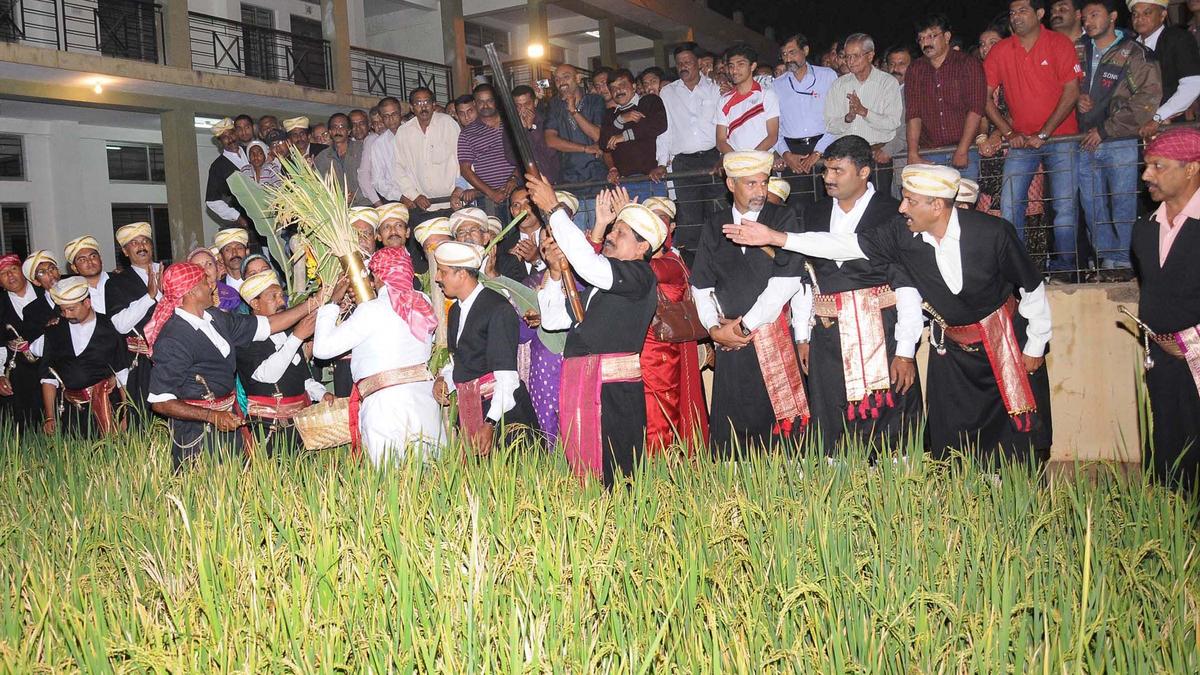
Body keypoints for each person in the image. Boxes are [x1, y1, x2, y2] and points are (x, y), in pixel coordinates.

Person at [726, 163, 1053, 464]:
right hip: (952, 350)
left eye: (910, 201)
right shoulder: (901, 234)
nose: (901, 207)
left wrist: (1035, 345)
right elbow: (843, 245)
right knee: (953, 439)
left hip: (1007, 343)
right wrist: (775, 237)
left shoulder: (993, 233)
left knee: (1016, 439)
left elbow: (1031, 286)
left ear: (936, 206)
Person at [790, 136, 923, 455]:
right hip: (827, 337)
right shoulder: (814, 213)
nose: (828, 177)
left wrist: (905, 350)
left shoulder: (892, 214)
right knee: (831, 422)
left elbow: (907, 285)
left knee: (888, 424)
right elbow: (805, 280)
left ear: (864, 172)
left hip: (884, 332)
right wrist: (802, 335)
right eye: (825, 170)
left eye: (838, 170)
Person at [528, 175, 665, 486]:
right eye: (614, 229)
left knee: (617, 474)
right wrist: (552, 272)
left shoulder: (640, 275)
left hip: (613, 390)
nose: (611, 235)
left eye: (621, 232)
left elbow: (588, 264)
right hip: (583, 382)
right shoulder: (601, 283)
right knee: (586, 471)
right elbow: (551, 320)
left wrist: (554, 209)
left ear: (642, 246)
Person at [690, 151, 810, 457]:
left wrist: (743, 328)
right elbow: (701, 287)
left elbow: (786, 283)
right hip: (731, 344)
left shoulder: (783, 219)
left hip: (772, 336)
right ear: (730, 184)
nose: (760, 190)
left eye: (764, 182)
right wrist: (715, 329)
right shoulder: (714, 225)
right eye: (751, 183)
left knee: (782, 430)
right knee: (734, 430)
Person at [146, 262, 313, 467]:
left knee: (237, 486)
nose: (212, 286)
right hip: (197, 432)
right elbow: (160, 401)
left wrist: (313, 304)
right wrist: (211, 416)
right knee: (207, 492)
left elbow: (269, 324)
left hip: (229, 419)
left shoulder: (215, 318)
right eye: (205, 282)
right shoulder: (173, 338)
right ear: (190, 292)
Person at [312, 246, 443, 465]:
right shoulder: (423, 302)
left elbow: (322, 349)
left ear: (379, 276)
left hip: (384, 405)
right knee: (430, 473)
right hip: (423, 399)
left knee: (388, 478)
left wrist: (333, 303)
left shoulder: (371, 310)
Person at [984, 0, 1082, 274]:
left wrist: (1045, 132)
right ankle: (1018, 268)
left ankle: (1065, 268)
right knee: (1010, 203)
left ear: (1039, 14)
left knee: (1063, 206)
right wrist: (1008, 131)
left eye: (1022, 11)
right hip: (1022, 141)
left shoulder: (1059, 43)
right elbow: (984, 97)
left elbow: (1071, 91)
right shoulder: (1001, 50)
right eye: (1012, 12)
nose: (1015, 17)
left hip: (1061, 138)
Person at [1130, 128, 1200, 490]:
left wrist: (1191, 341)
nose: (1146, 175)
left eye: (1158, 166)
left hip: (1196, 359)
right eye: (1146, 165)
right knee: (1169, 446)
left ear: (1191, 169)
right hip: (1161, 361)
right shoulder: (1144, 229)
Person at [1076, 0, 1160, 277]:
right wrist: (1077, 98)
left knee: (1123, 202)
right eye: (1085, 16)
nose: (1088, 21)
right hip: (1082, 139)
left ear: (1112, 17)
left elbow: (1147, 99)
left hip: (1119, 139)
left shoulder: (1135, 53)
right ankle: (1106, 260)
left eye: (1095, 15)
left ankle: (1124, 261)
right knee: (1092, 203)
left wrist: (1105, 130)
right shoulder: (1077, 50)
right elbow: (1061, 87)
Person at [433, 241, 540, 453]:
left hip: (503, 417)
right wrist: (444, 379)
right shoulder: (455, 310)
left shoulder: (498, 308)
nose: (437, 277)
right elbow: (462, 360)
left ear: (462, 274)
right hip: (474, 408)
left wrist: (490, 423)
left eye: (442, 272)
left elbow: (506, 377)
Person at [641, 196, 710, 454]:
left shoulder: (668, 262)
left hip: (664, 350)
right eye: (649, 218)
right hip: (647, 348)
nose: (655, 224)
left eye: (662, 218)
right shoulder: (651, 261)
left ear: (671, 227)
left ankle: (666, 470)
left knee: (663, 410)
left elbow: (624, 270)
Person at [235, 271, 329, 453]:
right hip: (268, 428)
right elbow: (267, 375)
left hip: (299, 425)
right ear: (255, 303)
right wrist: (296, 338)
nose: (282, 302)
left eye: (281, 295)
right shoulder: (245, 335)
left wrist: (322, 394)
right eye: (274, 297)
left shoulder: (288, 331)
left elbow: (303, 378)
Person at [38, 277, 128, 437]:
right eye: (63, 310)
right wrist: (50, 417)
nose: (66, 314)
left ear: (87, 303)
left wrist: (127, 415)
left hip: (108, 406)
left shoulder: (110, 327)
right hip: (71, 413)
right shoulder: (54, 330)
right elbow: (48, 377)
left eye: (71, 309)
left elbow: (122, 374)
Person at [905, 14, 988, 181]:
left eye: (931, 36)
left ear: (947, 36)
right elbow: (913, 113)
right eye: (921, 38)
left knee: (964, 204)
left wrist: (963, 149)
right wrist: (913, 153)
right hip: (931, 153)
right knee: (933, 205)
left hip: (965, 150)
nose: (926, 43)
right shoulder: (915, 69)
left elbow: (976, 108)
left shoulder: (967, 64)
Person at [659, 42, 724, 248]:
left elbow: (725, 124)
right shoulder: (668, 92)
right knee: (690, 218)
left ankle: (723, 262)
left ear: (698, 63)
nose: (683, 66)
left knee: (719, 214)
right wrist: (662, 162)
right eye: (679, 63)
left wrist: (724, 157)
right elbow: (665, 130)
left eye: (688, 62)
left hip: (713, 159)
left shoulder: (715, 88)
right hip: (684, 164)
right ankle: (694, 270)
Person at [824, 33, 904, 186]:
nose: (850, 61)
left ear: (870, 55)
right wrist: (848, 118)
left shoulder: (887, 83)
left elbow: (893, 123)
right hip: (846, 159)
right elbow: (829, 125)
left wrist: (864, 112)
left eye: (855, 56)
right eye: (847, 56)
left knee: (879, 206)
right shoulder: (838, 85)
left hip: (876, 156)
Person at [104, 222, 162, 420]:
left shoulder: (169, 272)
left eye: (145, 241)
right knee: (145, 417)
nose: (141, 246)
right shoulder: (116, 282)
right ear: (125, 251)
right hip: (143, 363)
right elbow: (120, 324)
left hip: (176, 356)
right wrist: (149, 296)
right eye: (134, 243)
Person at [774, 33, 839, 202]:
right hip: (794, 155)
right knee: (799, 208)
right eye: (784, 54)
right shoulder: (777, 85)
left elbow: (837, 119)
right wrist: (786, 154)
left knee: (829, 205)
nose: (788, 59)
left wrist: (818, 152)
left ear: (806, 50)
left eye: (792, 52)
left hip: (825, 148)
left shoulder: (827, 76)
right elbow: (775, 126)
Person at [544, 63, 607, 228]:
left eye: (566, 77)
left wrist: (573, 111)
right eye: (557, 79)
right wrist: (585, 148)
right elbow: (551, 140)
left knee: (597, 234)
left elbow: (598, 136)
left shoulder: (595, 101)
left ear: (578, 79)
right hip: (569, 182)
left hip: (596, 180)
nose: (561, 82)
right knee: (575, 237)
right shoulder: (555, 105)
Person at [1131, 0, 1200, 141]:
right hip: (1136, 128)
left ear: (1163, 15)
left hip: (1171, 126)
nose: (1139, 18)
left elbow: (1192, 85)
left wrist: (1159, 117)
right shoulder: (1129, 47)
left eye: (1147, 13)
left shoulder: (1178, 38)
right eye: (1135, 14)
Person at [394, 87, 463, 224]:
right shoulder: (404, 132)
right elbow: (398, 168)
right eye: (418, 103)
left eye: (426, 102)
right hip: (423, 207)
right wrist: (414, 195)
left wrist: (459, 189)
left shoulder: (448, 124)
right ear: (412, 108)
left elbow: (462, 159)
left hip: (451, 202)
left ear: (433, 105)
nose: (423, 107)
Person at [599, 68, 669, 201]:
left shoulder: (649, 101)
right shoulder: (610, 115)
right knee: (627, 221)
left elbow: (658, 125)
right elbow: (604, 144)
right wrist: (620, 120)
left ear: (634, 86)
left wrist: (623, 136)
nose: (618, 90)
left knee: (657, 221)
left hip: (652, 178)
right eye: (613, 88)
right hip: (623, 183)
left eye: (622, 85)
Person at [0, 253, 49, 427]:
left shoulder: (45, 291)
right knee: (24, 424)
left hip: (53, 365)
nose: (10, 275)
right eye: (3, 273)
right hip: (20, 375)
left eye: (13, 269)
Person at [458, 84, 519, 218]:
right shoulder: (467, 133)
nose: (485, 106)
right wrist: (491, 193)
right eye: (481, 102)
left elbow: (525, 154)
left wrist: (514, 178)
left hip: (519, 193)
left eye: (489, 100)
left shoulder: (513, 124)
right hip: (488, 200)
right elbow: (465, 170)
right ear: (475, 103)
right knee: (493, 237)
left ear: (496, 101)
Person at [714, 44, 781, 153]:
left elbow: (772, 136)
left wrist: (750, 158)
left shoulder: (767, 96)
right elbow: (720, 141)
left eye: (740, 65)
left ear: (753, 66)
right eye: (731, 66)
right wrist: (737, 159)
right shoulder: (723, 101)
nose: (734, 70)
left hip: (761, 161)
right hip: (735, 164)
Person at [314, 112, 369, 206]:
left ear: (348, 131)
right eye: (334, 127)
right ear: (330, 132)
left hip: (365, 204)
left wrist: (355, 196)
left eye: (341, 126)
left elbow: (371, 179)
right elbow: (320, 187)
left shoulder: (363, 150)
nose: (337, 131)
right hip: (337, 210)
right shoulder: (322, 158)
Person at [204, 118, 250, 227]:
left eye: (232, 134)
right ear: (219, 142)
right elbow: (212, 201)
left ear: (237, 134)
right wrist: (237, 217)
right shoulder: (218, 166)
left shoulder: (252, 151)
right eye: (225, 137)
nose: (230, 139)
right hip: (245, 216)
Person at [513, 85, 560, 183]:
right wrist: (524, 130)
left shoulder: (547, 120)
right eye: (518, 106)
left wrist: (531, 130)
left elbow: (550, 151)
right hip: (526, 182)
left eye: (527, 104)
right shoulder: (511, 127)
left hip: (551, 180)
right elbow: (511, 157)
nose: (523, 109)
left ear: (535, 102)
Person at [366, 97, 406, 204]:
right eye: (386, 116)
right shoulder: (378, 145)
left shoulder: (415, 135)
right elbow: (378, 181)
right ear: (382, 118)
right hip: (397, 200)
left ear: (401, 113)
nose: (391, 119)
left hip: (424, 196)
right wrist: (400, 197)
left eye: (394, 114)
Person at [187, 247, 242, 313]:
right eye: (198, 267)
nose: (205, 270)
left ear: (216, 268)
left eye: (209, 264)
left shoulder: (231, 295)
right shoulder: (186, 298)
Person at [63, 236, 110, 313]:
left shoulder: (121, 281)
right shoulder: (72, 294)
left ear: (100, 259)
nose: (90, 261)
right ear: (74, 268)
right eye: (82, 260)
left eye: (93, 256)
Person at [214, 228, 249, 293]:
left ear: (247, 253)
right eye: (228, 249)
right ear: (221, 257)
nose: (234, 253)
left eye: (239, 248)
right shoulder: (216, 291)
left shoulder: (260, 283)